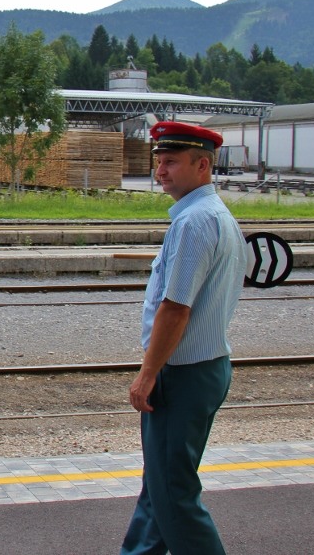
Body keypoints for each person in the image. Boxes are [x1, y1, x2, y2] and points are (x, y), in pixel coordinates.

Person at [121, 121, 248, 555]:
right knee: (158, 487)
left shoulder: (194, 222)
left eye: (171, 162)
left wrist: (147, 373)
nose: (161, 171)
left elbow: (175, 308)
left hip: (182, 373)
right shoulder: (218, 217)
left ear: (203, 165)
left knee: (174, 495)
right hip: (204, 368)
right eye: (159, 161)